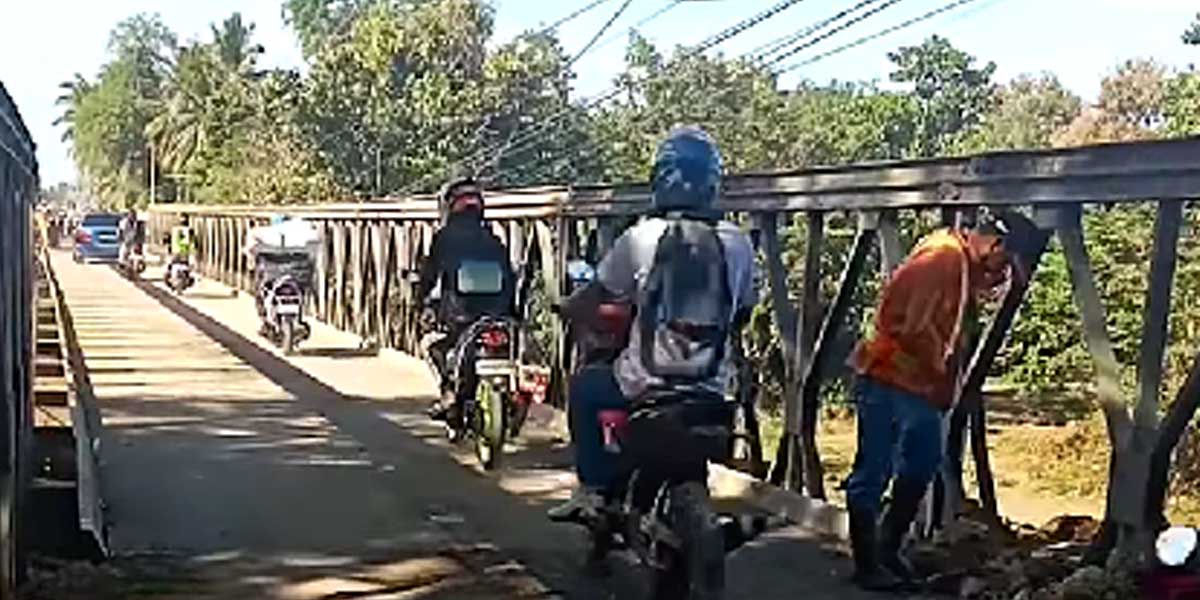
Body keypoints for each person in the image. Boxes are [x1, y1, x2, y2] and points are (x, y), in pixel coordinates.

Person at [548, 126, 758, 522]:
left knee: (586, 388)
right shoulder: (738, 243)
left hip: (644, 385)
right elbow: (744, 310)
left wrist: (567, 307)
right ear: (713, 184)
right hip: (712, 390)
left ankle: (592, 489)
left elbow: (597, 295)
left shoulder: (640, 238)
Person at [844, 215, 1014, 591]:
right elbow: (912, 327)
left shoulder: (960, 262)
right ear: (993, 245)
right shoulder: (943, 259)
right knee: (874, 470)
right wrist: (940, 376)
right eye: (1005, 262)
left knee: (922, 463)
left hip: (916, 382)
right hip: (892, 376)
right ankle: (867, 562)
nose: (1001, 275)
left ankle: (887, 548)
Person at [418, 178, 517, 419]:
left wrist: (421, 300)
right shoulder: (494, 240)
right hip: (499, 313)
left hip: (461, 314)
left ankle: (448, 393)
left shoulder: (444, 238)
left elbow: (430, 275)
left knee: (432, 345)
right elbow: (510, 277)